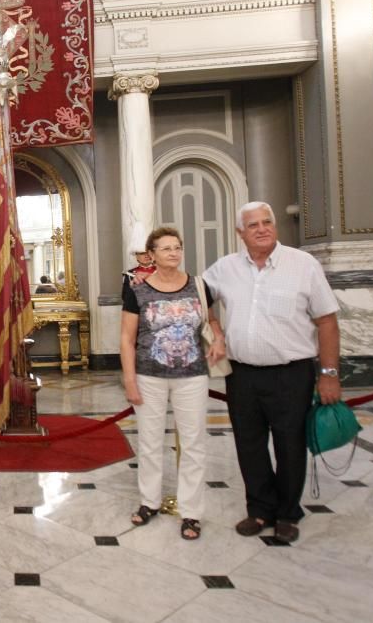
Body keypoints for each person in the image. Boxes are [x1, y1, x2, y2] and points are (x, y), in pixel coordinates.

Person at [203, 201, 341, 544]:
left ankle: (287, 513)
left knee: (290, 445)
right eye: (253, 225)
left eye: (267, 222)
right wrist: (216, 330)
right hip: (242, 375)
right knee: (248, 445)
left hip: (291, 374)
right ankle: (260, 509)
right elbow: (196, 297)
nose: (262, 228)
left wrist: (329, 373)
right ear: (240, 233)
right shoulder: (225, 268)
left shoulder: (303, 265)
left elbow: (327, 321)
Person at [120, 227, 226, 541]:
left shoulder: (198, 285)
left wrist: (219, 339)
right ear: (151, 255)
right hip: (149, 375)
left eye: (177, 247)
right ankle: (149, 502)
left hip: (192, 375)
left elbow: (212, 320)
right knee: (150, 443)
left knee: (193, 444)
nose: (173, 253)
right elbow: (127, 339)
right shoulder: (136, 289)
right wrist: (129, 379)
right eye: (165, 248)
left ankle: (191, 511)